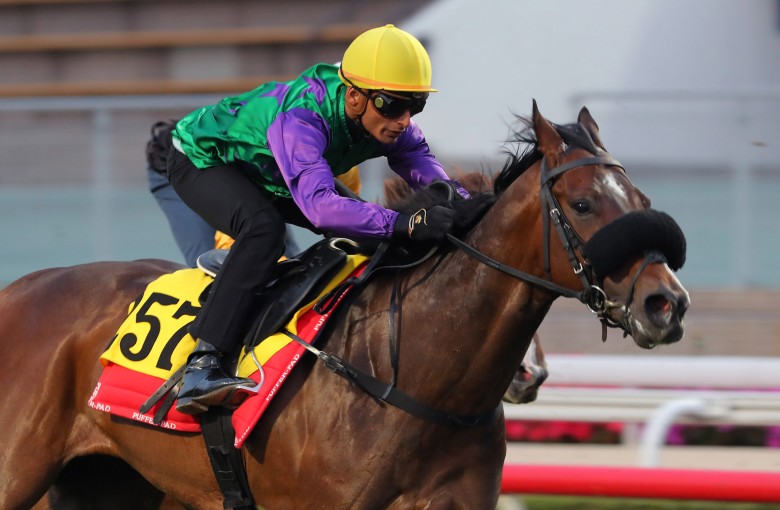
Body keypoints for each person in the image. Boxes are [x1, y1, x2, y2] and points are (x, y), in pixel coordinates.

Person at [166, 24, 467, 415]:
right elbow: (322, 208)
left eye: (416, 106)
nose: (404, 120)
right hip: (204, 159)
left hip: (273, 172)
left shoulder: (382, 113)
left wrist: (464, 203)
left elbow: (422, 164)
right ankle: (202, 366)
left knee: (367, 233)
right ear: (355, 97)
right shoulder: (303, 117)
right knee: (264, 230)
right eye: (393, 106)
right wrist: (405, 223)